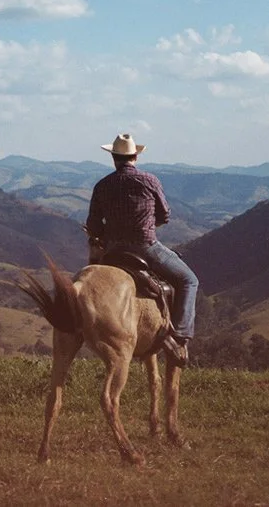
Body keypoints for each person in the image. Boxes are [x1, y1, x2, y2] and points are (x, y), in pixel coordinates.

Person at [85, 133, 199, 367]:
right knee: (189, 280)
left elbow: (94, 226)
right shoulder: (149, 180)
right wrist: (146, 224)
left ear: (114, 158)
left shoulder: (102, 185)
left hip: (112, 252)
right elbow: (165, 214)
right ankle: (179, 336)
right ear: (135, 156)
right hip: (146, 247)